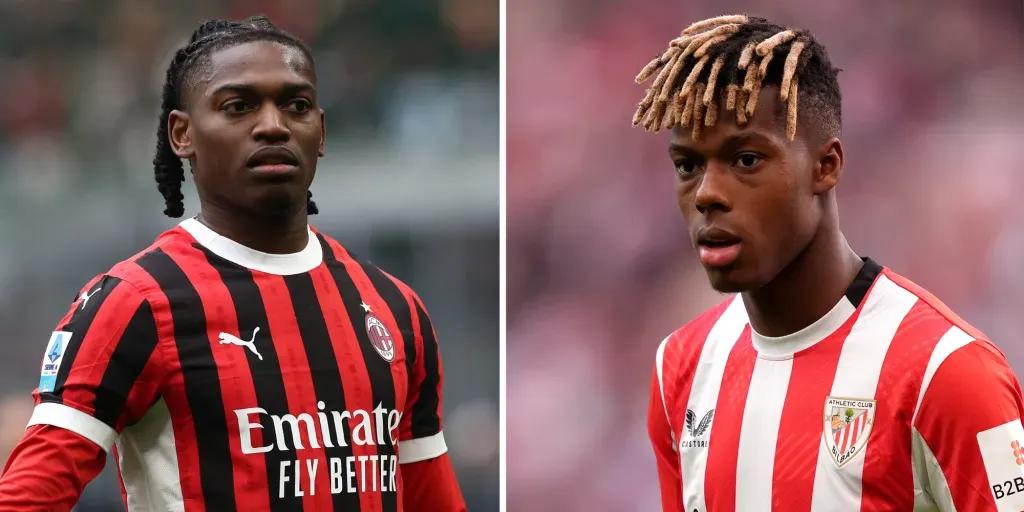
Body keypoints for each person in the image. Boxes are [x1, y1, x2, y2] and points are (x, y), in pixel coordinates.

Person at [0, 16, 466, 512]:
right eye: (238, 106)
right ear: (182, 134)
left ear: (322, 132)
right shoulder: (134, 303)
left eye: (297, 105)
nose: (273, 124)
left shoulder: (396, 308)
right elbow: (29, 498)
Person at [635, 14, 1024, 512]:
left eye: (746, 159)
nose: (708, 193)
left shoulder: (945, 372)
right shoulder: (680, 368)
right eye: (688, 166)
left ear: (826, 166)